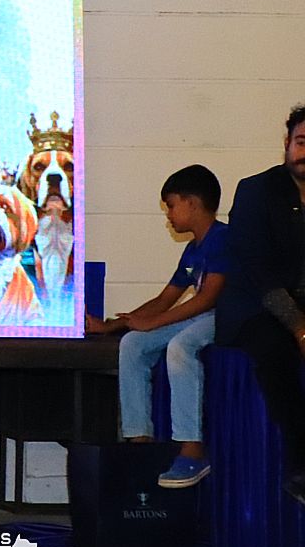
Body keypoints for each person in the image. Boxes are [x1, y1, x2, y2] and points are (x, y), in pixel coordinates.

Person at [93, 165, 228, 487]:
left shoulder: (224, 238)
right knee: (133, 343)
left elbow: (208, 298)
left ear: (192, 203)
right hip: (203, 316)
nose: (168, 214)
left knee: (181, 345)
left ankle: (192, 448)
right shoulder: (192, 249)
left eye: (171, 205)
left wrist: (153, 322)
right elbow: (165, 299)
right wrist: (116, 326)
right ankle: (139, 440)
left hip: (228, 317)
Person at [216, 106, 305, 506]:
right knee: (275, 349)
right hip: (256, 307)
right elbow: (260, 272)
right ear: (286, 144)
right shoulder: (256, 191)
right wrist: (299, 328)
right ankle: (300, 465)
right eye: (301, 142)